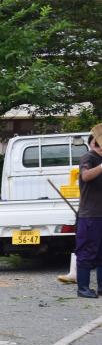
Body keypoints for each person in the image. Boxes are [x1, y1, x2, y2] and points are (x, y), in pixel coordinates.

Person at [74, 125, 102, 298]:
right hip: (91, 215)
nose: (99, 148)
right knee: (86, 251)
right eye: (97, 145)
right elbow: (85, 176)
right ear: (92, 145)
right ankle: (82, 288)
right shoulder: (88, 158)